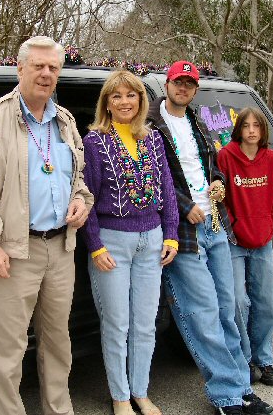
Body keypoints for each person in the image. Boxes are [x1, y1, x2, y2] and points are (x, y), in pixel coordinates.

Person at [0, 36, 94, 415]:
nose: (46, 74)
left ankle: (58, 410)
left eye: (53, 68)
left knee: (58, 345)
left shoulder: (64, 122)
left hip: (60, 250)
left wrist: (80, 201)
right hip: (12, 252)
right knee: (6, 351)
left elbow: (77, 181)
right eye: (38, 66)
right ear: (20, 68)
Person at [147, 61, 273, 415]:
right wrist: (185, 205)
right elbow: (154, 178)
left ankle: (242, 389)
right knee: (200, 312)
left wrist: (217, 180)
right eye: (178, 82)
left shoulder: (197, 122)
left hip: (216, 224)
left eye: (189, 84)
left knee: (228, 309)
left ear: (194, 89)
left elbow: (212, 162)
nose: (183, 88)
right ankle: (227, 395)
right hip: (183, 231)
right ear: (168, 85)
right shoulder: (151, 126)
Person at [81, 70, 179, 415]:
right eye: (116, 96)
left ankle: (140, 391)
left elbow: (167, 188)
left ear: (141, 100)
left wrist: (171, 234)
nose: (124, 102)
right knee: (116, 323)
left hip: (152, 240)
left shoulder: (153, 139)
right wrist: (95, 244)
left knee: (144, 323)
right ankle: (120, 396)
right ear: (106, 104)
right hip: (112, 241)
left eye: (131, 95)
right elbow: (86, 196)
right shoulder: (94, 142)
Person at [217, 107, 273, 386]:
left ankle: (264, 360)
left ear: (263, 130)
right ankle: (244, 359)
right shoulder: (226, 156)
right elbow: (218, 196)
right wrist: (232, 224)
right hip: (235, 241)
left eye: (256, 125)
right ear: (239, 129)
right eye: (245, 125)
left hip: (262, 241)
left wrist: (270, 222)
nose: (251, 130)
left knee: (266, 303)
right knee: (237, 301)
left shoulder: (271, 160)